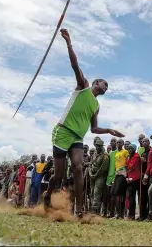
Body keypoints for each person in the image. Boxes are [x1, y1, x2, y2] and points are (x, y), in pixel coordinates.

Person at [43, 28, 124, 219]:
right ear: (96, 83)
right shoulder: (83, 87)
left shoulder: (96, 105)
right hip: (62, 132)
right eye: (105, 85)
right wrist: (69, 42)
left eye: (107, 88)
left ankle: (79, 210)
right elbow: (74, 64)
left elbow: (94, 128)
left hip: (78, 137)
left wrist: (109, 130)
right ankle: (48, 195)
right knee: (59, 175)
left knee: (78, 168)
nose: (106, 88)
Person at [89, 137, 109, 215]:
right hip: (92, 175)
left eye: (99, 146)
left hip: (100, 176)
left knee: (97, 193)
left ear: (101, 146)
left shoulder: (105, 156)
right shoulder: (94, 153)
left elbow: (103, 168)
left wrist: (95, 175)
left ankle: (95, 211)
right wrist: (90, 173)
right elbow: (91, 164)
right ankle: (93, 209)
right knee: (92, 193)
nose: (97, 147)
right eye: (96, 145)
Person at [111, 139, 129, 219]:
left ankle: (119, 214)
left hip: (123, 174)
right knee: (116, 193)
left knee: (118, 193)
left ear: (123, 144)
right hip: (117, 174)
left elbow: (128, 162)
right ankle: (118, 214)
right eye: (117, 142)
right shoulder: (116, 153)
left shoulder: (125, 152)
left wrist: (125, 171)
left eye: (120, 142)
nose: (118, 144)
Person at [125, 144, 141, 220]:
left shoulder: (137, 156)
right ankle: (131, 215)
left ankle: (136, 215)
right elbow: (127, 167)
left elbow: (131, 166)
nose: (129, 150)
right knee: (131, 197)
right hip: (130, 179)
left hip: (136, 179)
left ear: (134, 149)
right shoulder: (128, 157)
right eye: (129, 148)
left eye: (131, 148)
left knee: (137, 197)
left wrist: (129, 177)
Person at [103, 137, 117, 217]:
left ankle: (112, 212)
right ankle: (107, 211)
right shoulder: (109, 153)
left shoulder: (118, 152)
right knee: (107, 195)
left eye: (114, 141)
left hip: (115, 176)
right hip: (108, 176)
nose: (113, 142)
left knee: (113, 195)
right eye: (111, 141)